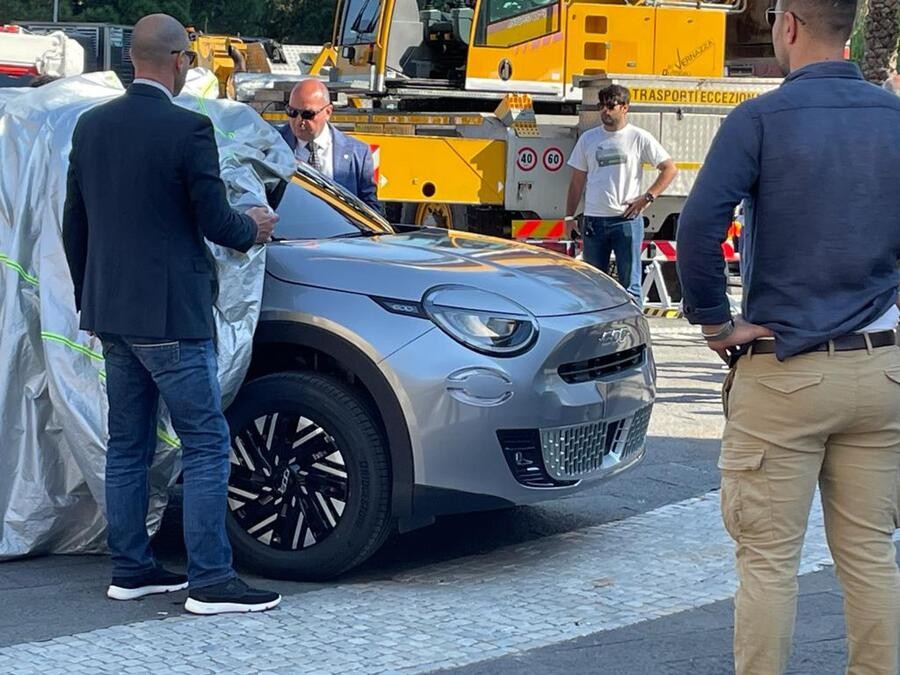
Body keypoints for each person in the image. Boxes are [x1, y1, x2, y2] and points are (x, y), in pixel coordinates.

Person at [676, 0, 900, 671]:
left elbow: (696, 231)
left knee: (769, 560)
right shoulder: (896, 119)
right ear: (850, 29)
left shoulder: (760, 120)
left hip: (786, 369)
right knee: (869, 554)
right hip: (882, 371)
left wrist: (716, 322)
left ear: (790, 25)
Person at [62, 13, 283, 616]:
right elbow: (217, 222)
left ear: (134, 58)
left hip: (111, 313)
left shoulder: (91, 126)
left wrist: (93, 297)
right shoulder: (189, 129)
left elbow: (73, 225)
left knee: (127, 444)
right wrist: (255, 228)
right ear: (181, 60)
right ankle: (211, 581)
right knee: (207, 442)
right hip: (172, 319)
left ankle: (131, 570)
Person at [565, 84, 677, 302]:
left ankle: (632, 331)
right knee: (594, 285)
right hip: (594, 220)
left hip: (625, 220)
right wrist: (569, 217)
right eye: (601, 106)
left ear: (625, 108)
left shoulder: (638, 137)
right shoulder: (588, 139)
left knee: (629, 286)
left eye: (610, 106)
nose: (605, 111)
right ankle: (596, 331)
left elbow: (669, 168)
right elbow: (577, 181)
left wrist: (647, 197)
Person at [279, 79, 381, 212]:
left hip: (340, 231)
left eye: (307, 114)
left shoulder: (358, 153)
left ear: (328, 112)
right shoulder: (272, 143)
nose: (299, 121)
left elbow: (371, 210)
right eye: (292, 112)